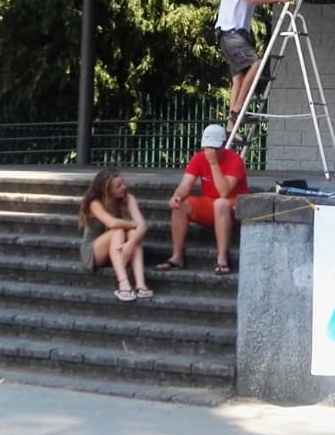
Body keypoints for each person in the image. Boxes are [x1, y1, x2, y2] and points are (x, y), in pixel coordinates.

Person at [215, 0, 309, 134]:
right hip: (229, 32)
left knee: (239, 78)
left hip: (239, 34)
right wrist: (281, 0)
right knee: (256, 64)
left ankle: (231, 128)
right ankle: (237, 111)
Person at [154, 123, 249, 275]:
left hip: (233, 208)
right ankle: (177, 256)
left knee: (220, 203)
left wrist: (213, 163)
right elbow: (185, 185)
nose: (211, 151)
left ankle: (222, 258)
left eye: (215, 147)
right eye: (207, 147)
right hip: (210, 205)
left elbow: (224, 192)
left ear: (223, 145)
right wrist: (177, 196)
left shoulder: (234, 160)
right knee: (181, 205)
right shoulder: (199, 158)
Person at [79, 168, 152, 301]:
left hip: (118, 248)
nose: (124, 187)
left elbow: (143, 227)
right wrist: (133, 224)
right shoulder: (95, 203)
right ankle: (123, 283)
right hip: (94, 251)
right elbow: (112, 223)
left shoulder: (129, 198)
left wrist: (131, 243)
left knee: (133, 234)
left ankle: (140, 284)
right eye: (118, 186)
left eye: (123, 183)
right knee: (119, 230)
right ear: (107, 191)